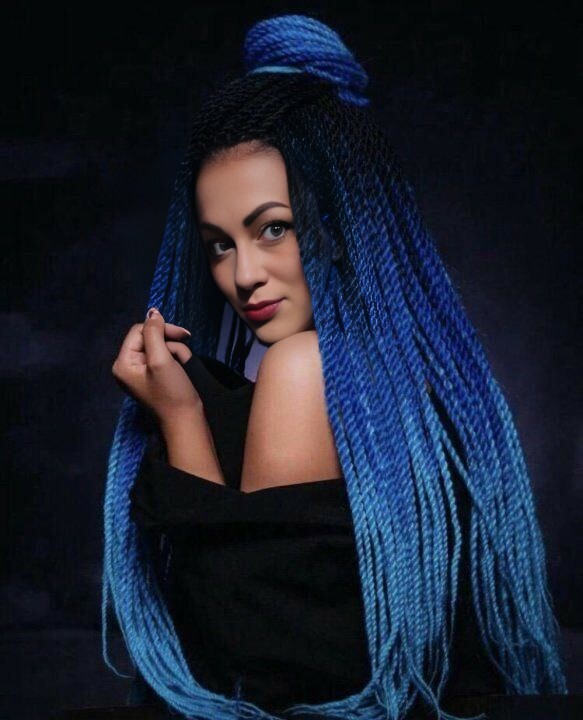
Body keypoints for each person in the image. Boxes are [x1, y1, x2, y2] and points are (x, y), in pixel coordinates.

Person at [102, 13, 567, 720]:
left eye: (273, 228)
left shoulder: (304, 368)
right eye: (220, 243)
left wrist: (182, 416)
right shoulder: (416, 387)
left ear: (342, 220)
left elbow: (244, 664)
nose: (243, 275)